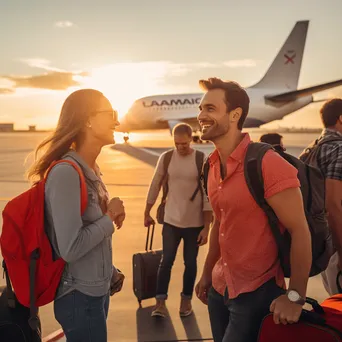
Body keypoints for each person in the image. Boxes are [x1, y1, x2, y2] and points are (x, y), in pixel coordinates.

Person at [195, 78, 312, 342]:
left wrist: (295, 296)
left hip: (256, 294)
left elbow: (300, 231)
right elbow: (219, 224)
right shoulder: (211, 167)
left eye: (210, 109)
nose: (201, 115)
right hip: (219, 288)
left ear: (235, 115)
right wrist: (206, 274)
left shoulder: (267, 164)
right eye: (201, 108)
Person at [27, 89, 126, 342]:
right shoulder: (66, 173)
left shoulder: (91, 169)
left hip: (95, 293)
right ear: (88, 120)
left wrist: (109, 272)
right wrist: (111, 217)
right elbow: (70, 247)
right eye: (111, 113)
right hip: (79, 297)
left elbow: (89, 235)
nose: (117, 121)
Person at [144, 123, 213, 318]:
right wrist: (147, 211)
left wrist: (206, 227)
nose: (180, 147)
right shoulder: (166, 158)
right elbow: (155, 184)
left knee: (190, 263)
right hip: (171, 220)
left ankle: (185, 301)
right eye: (176, 143)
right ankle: (160, 303)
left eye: (184, 143)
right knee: (166, 261)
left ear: (191, 139)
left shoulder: (200, 159)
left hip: (195, 223)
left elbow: (208, 195)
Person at [300, 98, 342, 295]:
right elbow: (333, 204)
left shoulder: (310, 149)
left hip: (321, 242)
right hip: (337, 244)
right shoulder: (339, 149)